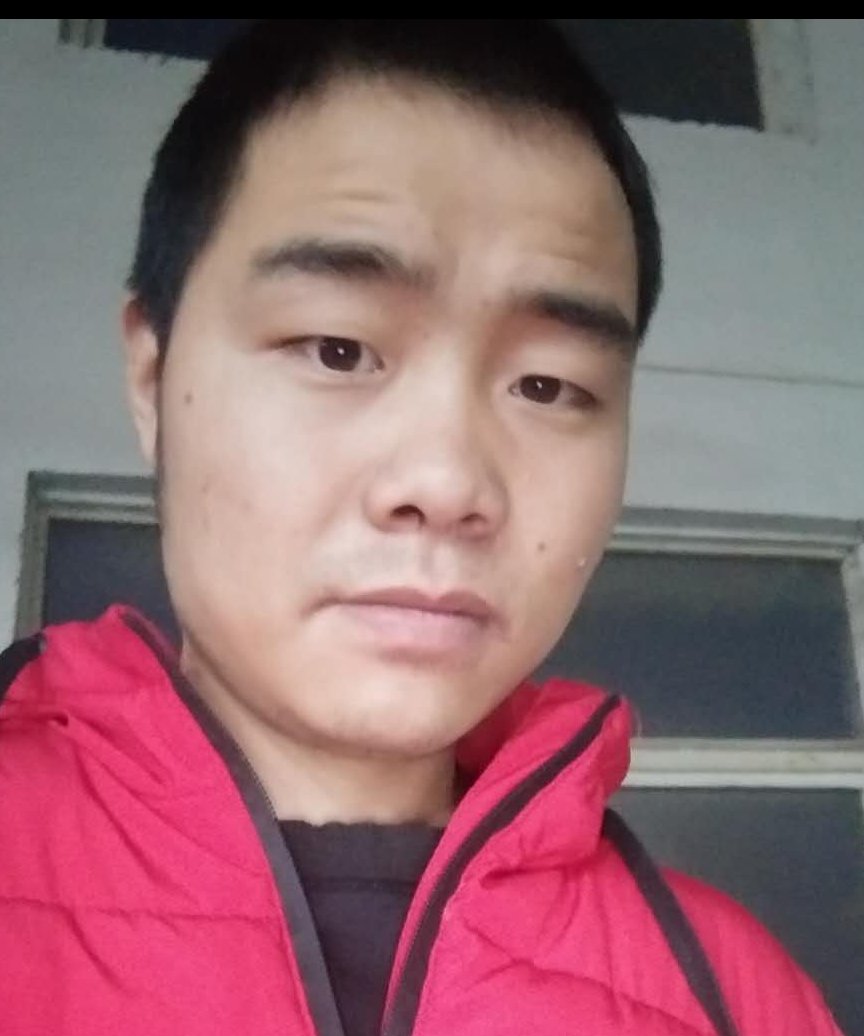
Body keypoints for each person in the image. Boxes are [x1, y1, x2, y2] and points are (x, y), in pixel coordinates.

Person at [0, 19, 844, 1036]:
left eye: (548, 385)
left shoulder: (733, 996)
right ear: (152, 376)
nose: (446, 483)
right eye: (337, 349)